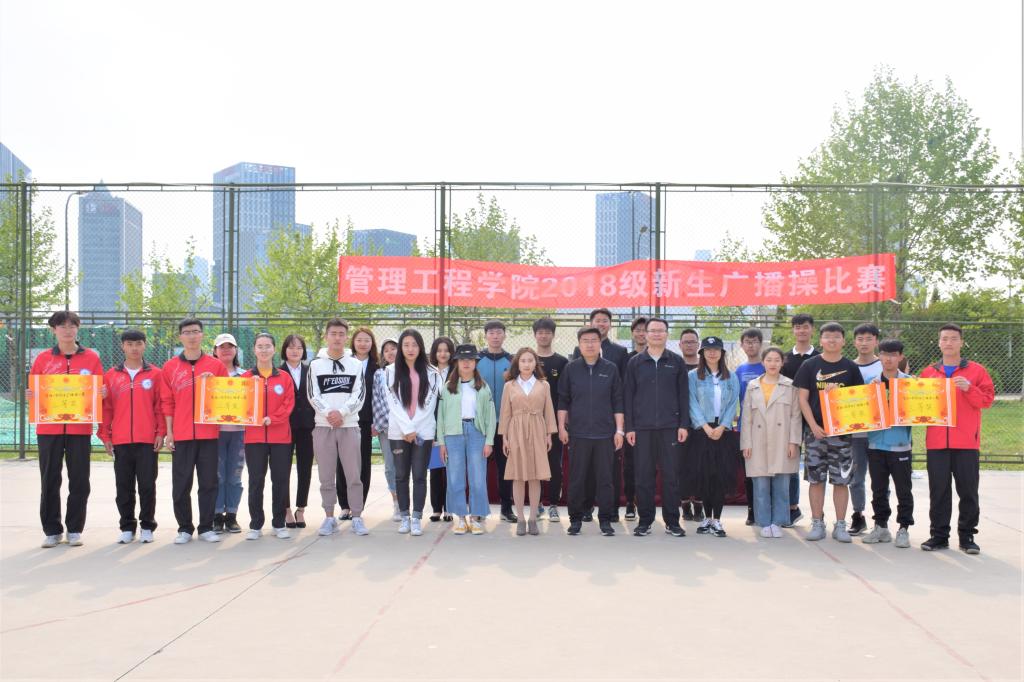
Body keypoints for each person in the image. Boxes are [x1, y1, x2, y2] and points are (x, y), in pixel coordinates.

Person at [30, 311, 105, 548]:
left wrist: (101, 393)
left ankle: (74, 529)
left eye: (72, 325)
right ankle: (52, 531)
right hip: (49, 429)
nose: (67, 330)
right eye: (62, 326)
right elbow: (36, 390)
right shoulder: (43, 358)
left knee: (80, 480)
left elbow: (98, 389)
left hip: (79, 429)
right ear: (53, 330)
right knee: (49, 480)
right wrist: (32, 394)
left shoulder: (91, 357)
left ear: (78, 329)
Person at [919, 324, 995, 554]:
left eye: (954, 338)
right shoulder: (928, 373)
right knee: (938, 491)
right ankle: (939, 536)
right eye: (945, 338)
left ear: (962, 342)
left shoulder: (976, 371)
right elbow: (919, 405)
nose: (949, 342)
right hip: (937, 443)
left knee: (968, 491)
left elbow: (987, 401)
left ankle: (967, 536)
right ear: (938, 342)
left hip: (966, 443)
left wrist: (969, 388)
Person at [794, 322, 864, 543]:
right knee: (816, 480)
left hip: (842, 435)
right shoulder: (809, 365)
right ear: (821, 340)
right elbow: (802, 399)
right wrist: (813, 426)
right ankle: (817, 522)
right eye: (827, 337)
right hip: (816, 433)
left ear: (843, 341)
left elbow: (858, 400)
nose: (831, 340)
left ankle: (841, 524)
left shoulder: (851, 368)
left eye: (836, 337)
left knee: (841, 480)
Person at [162, 318, 228, 544]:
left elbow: (225, 399)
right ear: (180, 336)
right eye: (187, 332)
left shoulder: (216, 366)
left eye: (196, 331)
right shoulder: (170, 367)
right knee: (181, 484)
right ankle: (184, 528)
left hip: (208, 434)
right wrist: (169, 432)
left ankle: (206, 527)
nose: (192, 336)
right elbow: (167, 402)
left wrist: (213, 384)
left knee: (209, 483)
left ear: (202, 335)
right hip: (181, 434)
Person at [624, 317, 690, 537]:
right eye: (652, 331)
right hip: (642, 428)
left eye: (660, 331)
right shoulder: (635, 362)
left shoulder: (676, 361)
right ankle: (645, 521)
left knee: (671, 476)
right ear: (645, 334)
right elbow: (628, 396)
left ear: (667, 334)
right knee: (644, 476)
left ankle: (672, 522)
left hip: (670, 427)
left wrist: (683, 424)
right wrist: (630, 427)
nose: (656, 334)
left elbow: (683, 395)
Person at [99, 329, 164, 544]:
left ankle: (147, 526)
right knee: (123, 487)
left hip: (147, 440)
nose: (134, 348)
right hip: (121, 440)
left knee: (147, 485)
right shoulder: (111, 375)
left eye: (138, 344)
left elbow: (160, 406)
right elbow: (106, 408)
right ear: (122, 346)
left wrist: (160, 432)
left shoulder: (156, 374)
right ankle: (127, 527)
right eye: (129, 344)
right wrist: (105, 435)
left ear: (145, 345)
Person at [559, 327, 624, 537]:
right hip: (578, 434)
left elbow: (618, 402)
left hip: (605, 434)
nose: (589, 344)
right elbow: (563, 400)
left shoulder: (611, 368)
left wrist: (619, 431)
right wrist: (561, 427)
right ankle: (575, 520)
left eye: (593, 340)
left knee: (605, 480)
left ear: (600, 343)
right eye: (585, 340)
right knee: (577, 479)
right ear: (579, 344)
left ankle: (605, 520)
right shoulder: (571, 368)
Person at [307, 318, 368, 537]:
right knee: (326, 476)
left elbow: (359, 394)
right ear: (326, 336)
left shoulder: (355, 365)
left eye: (341, 334)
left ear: (346, 337)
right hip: (323, 427)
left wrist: (341, 413)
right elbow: (313, 394)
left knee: (353, 475)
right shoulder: (315, 365)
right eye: (333, 333)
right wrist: (328, 414)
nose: (337, 338)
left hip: (348, 425)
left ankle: (357, 517)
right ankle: (329, 517)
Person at [571, 308, 628, 521]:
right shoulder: (579, 351)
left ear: (610, 325)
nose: (601, 324)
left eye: (605, 321)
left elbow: (621, 389)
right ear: (591, 323)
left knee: (610, 470)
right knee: (585, 470)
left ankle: (611, 510)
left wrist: (620, 425)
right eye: (598, 320)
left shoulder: (620, 352)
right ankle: (586, 508)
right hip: (584, 422)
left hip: (609, 420)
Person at [386, 329, 443, 536]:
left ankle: (417, 517)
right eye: (406, 345)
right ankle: (405, 517)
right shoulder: (390, 371)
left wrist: (413, 428)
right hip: (398, 432)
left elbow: (429, 404)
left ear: (421, 347)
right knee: (401, 475)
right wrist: (406, 428)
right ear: (401, 348)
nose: (410, 349)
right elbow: (392, 401)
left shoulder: (433, 372)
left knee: (419, 476)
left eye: (414, 345)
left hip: (423, 432)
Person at [740, 347, 801, 538]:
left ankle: (778, 522)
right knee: (760, 485)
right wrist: (746, 443)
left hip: (782, 440)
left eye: (776, 360)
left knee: (782, 485)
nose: (773, 364)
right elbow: (746, 417)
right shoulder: (752, 386)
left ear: (782, 363)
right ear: (763, 362)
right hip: (757, 440)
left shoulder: (790, 386)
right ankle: (764, 522)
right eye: (769, 360)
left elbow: (796, 416)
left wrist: (793, 442)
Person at [437, 344, 497, 535]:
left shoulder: (483, 387)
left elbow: (490, 416)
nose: (466, 363)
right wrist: (442, 442)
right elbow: (441, 417)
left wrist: (489, 441)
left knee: (477, 477)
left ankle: (476, 517)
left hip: (476, 433)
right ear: (456, 362)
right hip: (453, 434)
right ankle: (461, 518)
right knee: (455, 477)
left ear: (475, 362)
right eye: (462, 359)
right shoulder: (448, 387)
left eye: (470, 359)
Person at [242, 333, 296, 540]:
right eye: (260, 346)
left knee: (280, 480)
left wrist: (272, 419)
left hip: (280, 437)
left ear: (274, 349)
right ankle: (255, 524)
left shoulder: (284, 377)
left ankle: (279, 523)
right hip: (254, 438)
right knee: (256, 481)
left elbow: (288, 404)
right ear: (254, 350)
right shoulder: (245, 378)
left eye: (267, 346)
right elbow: (238, 405)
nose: (264, 350)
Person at [499, 347, 558, 536]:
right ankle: (520, 520)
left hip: (537, 429)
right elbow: (505, 412)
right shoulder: (509, 385)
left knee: (535, 476)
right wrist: (505, 437)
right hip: (516, 430)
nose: (526, 364)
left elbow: (549, 410)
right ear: (517, 363)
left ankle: (533, 518)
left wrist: (549, 434)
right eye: (523, 360)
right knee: (517, 476)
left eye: (530, 360)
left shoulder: (544, 385)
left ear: (535, 363)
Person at [861, 339, 914, 548]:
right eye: (884, 354)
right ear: (879, 356)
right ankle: (881, 527)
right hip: (876, 444)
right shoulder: (870, 383)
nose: (888, 359)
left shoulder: (910, 384)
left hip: (900, 444)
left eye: (893, 354)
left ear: (900, 357)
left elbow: (919, 413)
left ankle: (903, 529)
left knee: (903, 490)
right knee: (878, 489)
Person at [688, 336, 740, 538]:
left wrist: (722, 426)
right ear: (702, 353)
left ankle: (716, 519)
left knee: (719, 477)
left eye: (716, 349)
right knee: (704, 476)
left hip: (722, 432)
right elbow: (692, 402)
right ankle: (706, 518)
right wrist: (705, 427)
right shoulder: (693, 376)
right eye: (708, 349)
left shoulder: (731, 377)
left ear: (721, 353)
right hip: (701, 432)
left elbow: (733, 403)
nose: (712, 353)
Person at [781, 313, 818, 526]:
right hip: (790, 417)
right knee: (791, 461)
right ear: (793, 330)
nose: (801, 330)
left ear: (812, 329)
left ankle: (817, 514)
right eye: (797, 327)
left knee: (815, 467)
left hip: (816, 419)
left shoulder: (821, 357)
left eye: (805, 326)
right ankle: (791, 507)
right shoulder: (785, 359)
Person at [337, 327, 378, 520]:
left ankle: (358, 505)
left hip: (366, 421)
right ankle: (344, 505)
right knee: (342, 462)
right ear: (353, 342)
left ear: (372, 344)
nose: (363, 344)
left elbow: (379, 398)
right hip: (344, 420)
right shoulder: (343, 364)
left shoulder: (377, 368)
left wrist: (376, 421)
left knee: (363, 463)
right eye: (359, 340)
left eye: (367, 340)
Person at [477, 320, 515, 521]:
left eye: (499, 332)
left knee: (505, 468)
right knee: (479, 468)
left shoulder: (512, 360)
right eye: (491, 332)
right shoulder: (476, 359)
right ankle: (480, 509)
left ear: (504, 335)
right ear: (486, 336)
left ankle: (506, 509)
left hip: (504, 424)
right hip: (480, 424)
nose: (495, 336)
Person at [847, 323, 882, 536]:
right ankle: (858, 515)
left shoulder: (885, 365)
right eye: (860, 339)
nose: (864, 343)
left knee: (880, 479)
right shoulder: (848, 366)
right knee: (856, 477)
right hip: (856, 432)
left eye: (869, 339)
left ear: (876, 341)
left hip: (881, 433)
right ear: (854, 342)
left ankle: (881, 519)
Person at [533, 317, 568, 521]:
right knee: (533, 463)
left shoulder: (562, 362)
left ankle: (553, 504)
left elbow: (565, 394)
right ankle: (536, 503)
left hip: (553, 422)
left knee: (555, 464)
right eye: (540, 332)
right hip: (531, 421)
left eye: (547, 332)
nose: (544, 336)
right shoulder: (527, 359)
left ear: (553, 335)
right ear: (535, 335)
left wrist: (563, 423)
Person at [212, 333, 245, 534]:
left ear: (236, 350)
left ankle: (231, 515)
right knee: (217, 476)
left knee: (235, 475)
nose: (226, 350)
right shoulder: (208, 376)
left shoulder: (246, 376)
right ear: (214, 351)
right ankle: (216, 516)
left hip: (239, 433)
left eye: (229, 346)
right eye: (221, 347)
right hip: (215, 433)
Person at [280, 334, 314, 529]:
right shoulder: (278, 372)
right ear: (284, 350)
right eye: (291, 347)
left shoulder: (311, 371)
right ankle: (286, 509)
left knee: (305, 468)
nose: (295, 351)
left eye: (299, 348)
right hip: (284, 426)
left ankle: (301, 508)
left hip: (308, 426)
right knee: (283, 469)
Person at [734, 328, 765, 526]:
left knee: (766, 472)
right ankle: (752, 511)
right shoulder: (739, 370)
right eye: (747, 342)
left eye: (755, 341)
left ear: (761, 344)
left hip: (767, 428)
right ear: (742, 345)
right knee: (749, 473)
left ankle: (767, 511)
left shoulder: (768, 366)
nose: (751, 345)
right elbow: (734, 398)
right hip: (745, 428)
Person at [372, 338, 401, 521]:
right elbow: (376, 399)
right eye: (386, 350)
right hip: (386, 427)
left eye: (393, 348)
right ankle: (396, 502)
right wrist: (381, 422)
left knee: (406, 466)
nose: (390, 352)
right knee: (390, 466)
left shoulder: (410, 371)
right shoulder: (379, 374)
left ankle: (406, 501)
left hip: (406, 428)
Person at [622, 316, 648, 520]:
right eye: (637, 330)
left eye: (645, 330)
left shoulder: (662, 358)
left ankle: (646, 503)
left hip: (654, 421)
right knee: (630, 464)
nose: (641, 334)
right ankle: (630, 502)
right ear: (632, 334)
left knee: (649, 465)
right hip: (631, 420)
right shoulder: (626, 359)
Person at [677, 328, 703, 522]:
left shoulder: (706, 366)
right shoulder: (675, 365)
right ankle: (685, 504)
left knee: (701, 466)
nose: (689, 345)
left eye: (693, 341)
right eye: (686, 342)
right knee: (682, 466)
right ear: (679, 345)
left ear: (698, 345)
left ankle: (699, 505)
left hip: (702, 425)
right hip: (679, 424)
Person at [428, 337, 455, 522]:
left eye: (446, 350)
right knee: (436, 468)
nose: (443, 354)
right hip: (432, 425)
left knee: (450, 470)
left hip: (451, 425)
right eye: (439, 350)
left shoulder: (457, 372)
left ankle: (449, 508)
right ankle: (437, 508)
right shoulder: (428, 372)